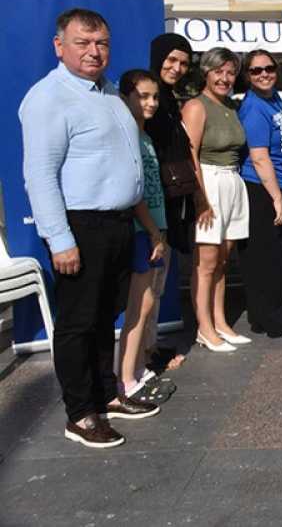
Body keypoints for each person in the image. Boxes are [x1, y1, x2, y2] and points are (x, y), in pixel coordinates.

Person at [20, 8, 159, 449]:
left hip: (117, 223)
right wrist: (60, 239)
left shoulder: (108, 91)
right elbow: (40, 175)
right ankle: (80, 414)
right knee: (78, 323)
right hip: (81, 225)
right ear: (59, 46)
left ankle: (105, 397)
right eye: (82, 43)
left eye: (101, 43)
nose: (93, 51)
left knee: (104, 318)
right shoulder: (49, 98)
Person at [181, 47, 250, 353]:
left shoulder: (231, 106)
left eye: (230, 72)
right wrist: (201, 198)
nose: (225, 78)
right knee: (206, 263)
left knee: (222, 260)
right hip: (209, 181)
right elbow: (190, 155)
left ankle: (220, 322)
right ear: (206, 73)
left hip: (233, 181)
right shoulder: (196, 106)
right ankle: (204, 328)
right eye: (218, 71)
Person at [116, 70, 174, 402]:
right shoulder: (128, 138)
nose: (151, 103)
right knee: (139, 304)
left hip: (154, 227)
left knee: (148, 301)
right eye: (143, 96)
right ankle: (127, 379)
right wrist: (153, 232)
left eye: (155, 97)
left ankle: (136, 369)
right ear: (126, 97)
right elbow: (134, 192)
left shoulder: (145, 136)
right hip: (142, 230)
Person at [238, 49, 282, 338]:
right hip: (262, 189)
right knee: (266, 258)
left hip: (279, 184)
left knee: (277, 253)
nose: (264, 74)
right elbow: (259, 157)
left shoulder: (274, 98)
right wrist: (276, 198)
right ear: (247, 76)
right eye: (256, 70)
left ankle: (267, 316)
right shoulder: (254, 107)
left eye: (269, 68)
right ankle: (272, 321)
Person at [145, 32, 195, 371]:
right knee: (148, 286)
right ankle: (142, 358)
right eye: (171, 59)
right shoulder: (149, 99)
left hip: (170, 203)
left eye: (184, 63)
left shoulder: (169, 99)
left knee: (157, 284)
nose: (177, 68)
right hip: (152, 205)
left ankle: (149, 349)